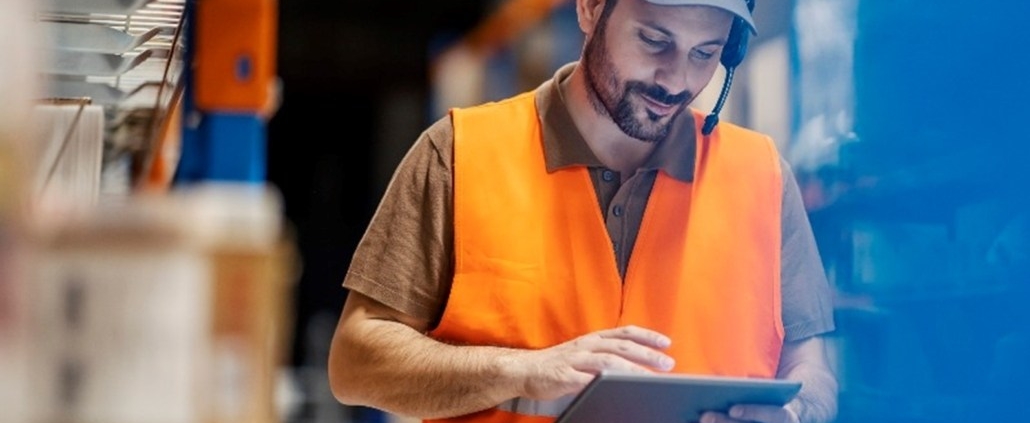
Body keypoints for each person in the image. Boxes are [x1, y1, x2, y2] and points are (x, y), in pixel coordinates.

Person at [328, 0, 838, 422]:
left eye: (704, 53)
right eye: (654, 41)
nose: (676, 80)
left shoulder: (763, 178)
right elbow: (355, 362)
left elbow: (811, 367)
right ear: (591, 9)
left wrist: (793, 414)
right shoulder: (462, 155)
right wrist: (522, 371)